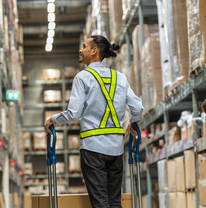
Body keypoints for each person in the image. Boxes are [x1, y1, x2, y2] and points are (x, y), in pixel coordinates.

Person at [44, 35, 143, 208]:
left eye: (83, 46)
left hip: (92, 149)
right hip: (116, 150)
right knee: (114, 202)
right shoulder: (120, 78)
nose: (80, 50)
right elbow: (137, 107)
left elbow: (74, 114)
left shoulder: (82, 78)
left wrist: (53, 119)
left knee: (100, 203)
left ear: (94, 51)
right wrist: (133, 122)